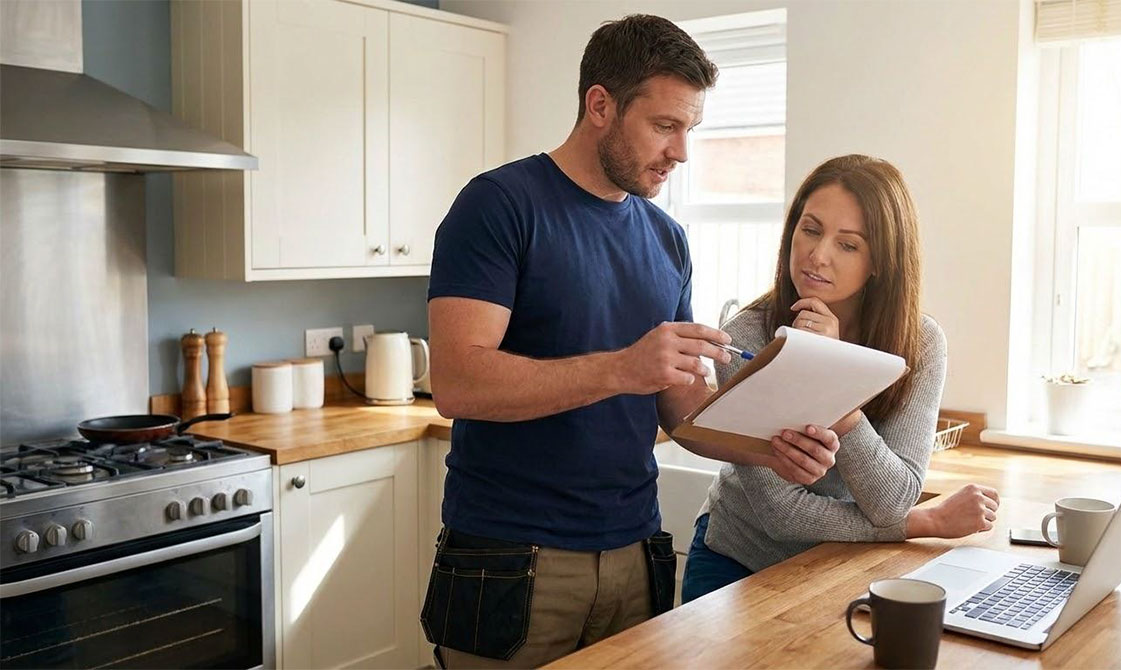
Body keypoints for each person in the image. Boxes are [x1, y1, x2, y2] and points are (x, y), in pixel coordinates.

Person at [422, 15, 841, 669]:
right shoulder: (500, 205)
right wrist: (620, 368)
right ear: (600, 105)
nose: (681, 152)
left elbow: (682, 414)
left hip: (634, 552)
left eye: (689, 130)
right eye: (665, 126)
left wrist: (770, 450)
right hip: (512, 558)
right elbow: (457, 382)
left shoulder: (666, 238)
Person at [681, 154, 1002, 603]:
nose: (818, 254)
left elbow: (893, 499)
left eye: (848, 245)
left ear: (879, 262)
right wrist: (923, 524)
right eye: (810, 230)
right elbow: (783, 516)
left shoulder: (921, 343)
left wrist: (835, 376)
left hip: (840, 564)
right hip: (737, 566)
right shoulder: (746, 335)